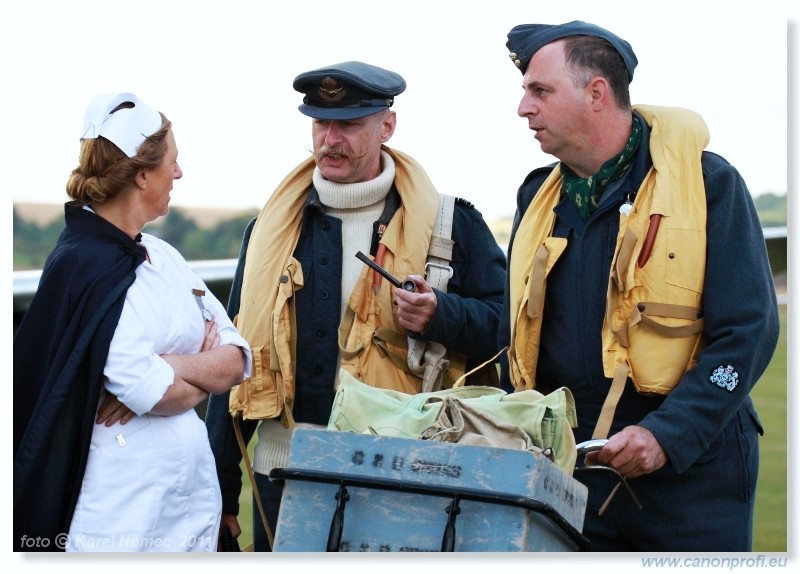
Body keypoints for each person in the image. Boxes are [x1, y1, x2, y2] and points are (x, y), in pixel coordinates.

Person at [498, 21, 780, 551]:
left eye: (540, 91)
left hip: (692, 482)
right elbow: (512, 332)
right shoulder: (537, 199)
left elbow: (748, 331)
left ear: (596, 94)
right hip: (569, 478)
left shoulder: (709, 184)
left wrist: (667, 436)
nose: (524, 108)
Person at [205, 61, 507, 551]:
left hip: (406, 478)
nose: (329, 139)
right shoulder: (268, 231)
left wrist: (442, 316)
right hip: (282, 478)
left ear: (387, 125)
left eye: (348, 124)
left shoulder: (452, 225)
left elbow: (509, 330)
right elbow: (233, 358)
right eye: (320, 123)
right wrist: (219, 495)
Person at [13, 92, 252, 552]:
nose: (179, 173)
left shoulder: (163, 256)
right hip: (122, 519)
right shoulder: (83, 266)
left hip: (185, 512)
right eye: (172, 163)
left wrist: (170, 364)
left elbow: (238, 358)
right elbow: (157, 393)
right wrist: (201, 366)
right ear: (142, 174)